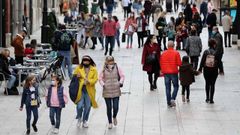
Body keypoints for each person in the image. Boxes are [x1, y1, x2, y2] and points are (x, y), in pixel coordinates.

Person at [99, 56, 125, 129]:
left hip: (116, 90)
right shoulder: (103, 69)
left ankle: (114, 116)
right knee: (109, 107)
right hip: (107, 90)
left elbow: (122, 76)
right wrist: (103, 84)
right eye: (109, 61)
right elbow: (100, 78)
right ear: (106, 62)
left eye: (112, 61)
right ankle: (110, 122)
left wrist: (120, 82)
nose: (111, 62)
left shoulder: (117, 67)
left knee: (116, 107)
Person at [73, 55, 98, 128]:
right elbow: (73, 77)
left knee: (88, 106)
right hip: (80, 90)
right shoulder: (79, 68)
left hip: (89, 90)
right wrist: (76, 76)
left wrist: (89, 81)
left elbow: (95, 79)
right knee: (79, 105)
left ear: (90, 61)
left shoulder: (94, 69)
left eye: (87, 60)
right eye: (84, 60)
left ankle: (85, 120)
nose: (85, 62)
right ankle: (79, 118)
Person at [198, 39, 222, 104]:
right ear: (214, 44)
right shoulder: (216, 52)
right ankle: (211, 99)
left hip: (206, 70)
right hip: (214, 70)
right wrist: (221, 70)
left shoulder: (206, 52)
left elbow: (202, 61)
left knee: (207, 83)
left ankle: (207, 97)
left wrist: (200, 69)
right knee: (212, 84)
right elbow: (219, 62)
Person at [160, 41, 182, 107]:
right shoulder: (176, 53)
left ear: (167, 46)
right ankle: (173, 98)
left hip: (166, 72)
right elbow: (179, 64)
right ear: (174, 45)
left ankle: (168, 102)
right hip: (174, 72)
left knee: (167, 88)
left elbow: (161, 63)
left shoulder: (163, 53)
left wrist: (162, 70)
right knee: (176, 86)